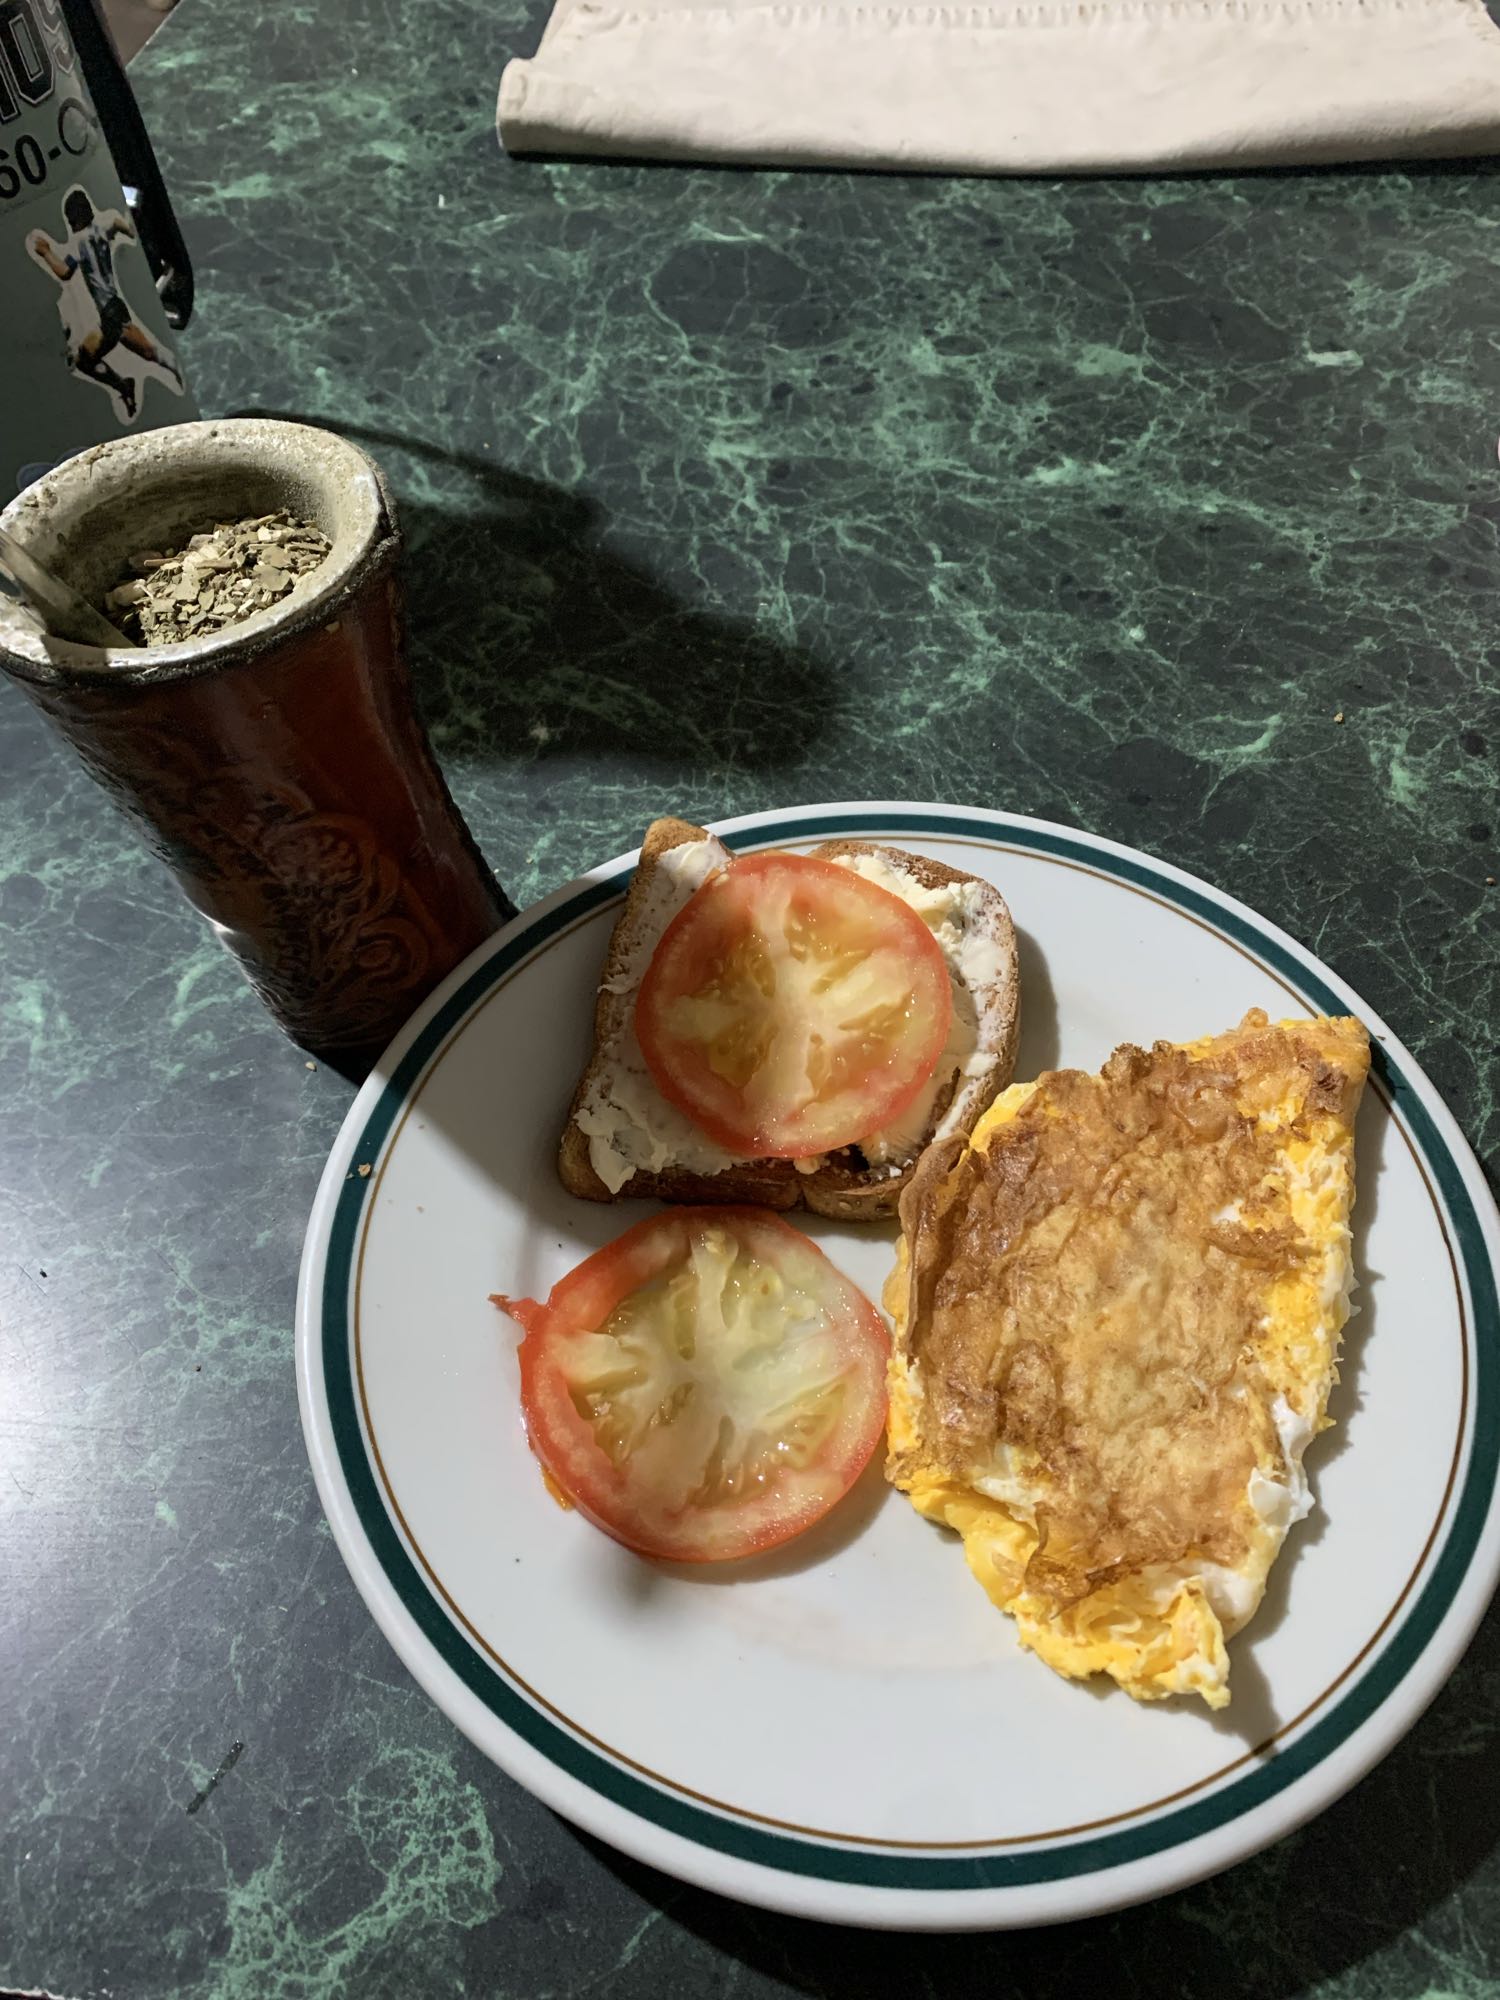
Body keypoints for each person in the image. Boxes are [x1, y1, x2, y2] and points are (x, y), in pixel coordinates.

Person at [26, 187, 185, 423]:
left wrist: (46, 251)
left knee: (145, 353)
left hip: (110, 312)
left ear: (73, 219)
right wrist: (130, 229)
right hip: (111, 311)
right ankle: (127, 385)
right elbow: (122, 226)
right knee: (91, 358)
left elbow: (65, 272)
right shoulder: (104, 226)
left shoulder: (78, 243)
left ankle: (139, 381)